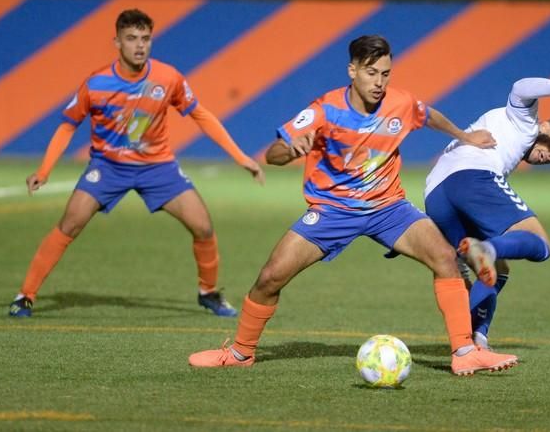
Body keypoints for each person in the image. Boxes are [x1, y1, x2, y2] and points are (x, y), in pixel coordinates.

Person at [189, 35, 518, 376]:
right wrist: (290, 150)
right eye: (371, 73)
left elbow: (428, 115)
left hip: (388, 208)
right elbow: (273, 153)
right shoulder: (323, 110)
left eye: (386, 74)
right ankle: (240, 353)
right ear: (352, 70)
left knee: (446, 259)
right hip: (333, 211)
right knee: (271, 277)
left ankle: (465, 352)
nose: (379, 83)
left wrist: (466, 137)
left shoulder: (401, 103)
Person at [8, 9, 264, 318]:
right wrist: (44, 170)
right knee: (70, 224)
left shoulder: (168, 77)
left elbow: (201, 115)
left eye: (145, 39)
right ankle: (25, 295)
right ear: (117, 42)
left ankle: (208, 293)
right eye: (131, 39)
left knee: (203, 226)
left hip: (158, 168)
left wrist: (240, 157)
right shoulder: (97, 83)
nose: (140, 46)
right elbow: (67, 125)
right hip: (107, 168)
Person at [423, 74, 550, 349]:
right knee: (540, 244)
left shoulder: (507, 137)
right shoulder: (526, 123)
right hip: (472, 178)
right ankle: (487, 249)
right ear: (545, 127)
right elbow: (520, 87)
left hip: (435, 194)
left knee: (491, 271)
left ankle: (474, 343)